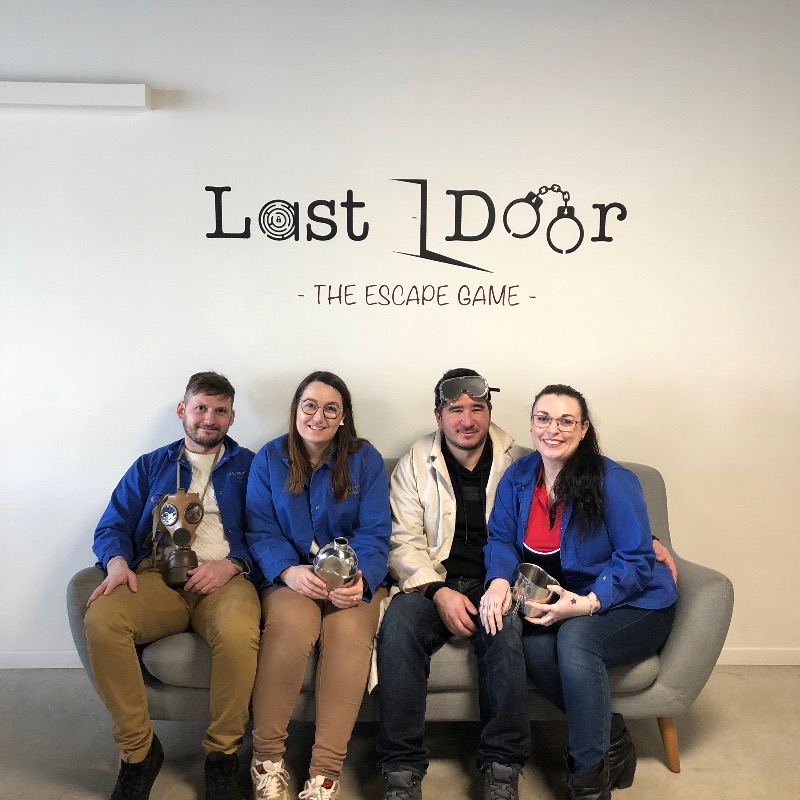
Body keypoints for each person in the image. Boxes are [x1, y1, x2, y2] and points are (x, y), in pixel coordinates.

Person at [481, 384, 678, 800]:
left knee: (575, 640)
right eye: (543, 419)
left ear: (584, 429)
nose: (552, 429)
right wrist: (499, 579)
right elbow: (499, 537)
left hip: (636, 601)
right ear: (532, 424)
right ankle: (613, 736)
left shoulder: (614, 481)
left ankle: (588, 783)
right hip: (570, 600)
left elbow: (636, 558)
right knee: (534, 648)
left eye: (566, 421)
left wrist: (589, 603)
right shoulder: (519, 476)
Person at [84, 371, 261, 800]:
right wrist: (117, 563)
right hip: (157, 578)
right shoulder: (150, 465)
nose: (209, 418)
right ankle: (139, 753)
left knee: (238, 633)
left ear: (232, 417)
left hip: (225, 579)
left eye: (220, 411)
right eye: (201, 408)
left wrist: (233, 564)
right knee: (103, 620)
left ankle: (222, 755)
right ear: (183, 410)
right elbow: (112, 525)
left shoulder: (254, 467)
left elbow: (271, 532)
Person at [376, 368, 532, 800]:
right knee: (398, 631)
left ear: (489, 412)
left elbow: (573, 494)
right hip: (432, 581)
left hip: (495, 582)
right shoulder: (414, 461)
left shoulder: (520, 461)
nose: (467, 420)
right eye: (455, 409)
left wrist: (647, 539)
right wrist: (437, 591)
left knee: (505, 632)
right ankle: (401, 770)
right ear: (438, 415)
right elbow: (402, 540)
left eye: (477, 409)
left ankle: (502, 768)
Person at [245, 371, 391, 800]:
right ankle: (267, 760)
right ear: (296, 409)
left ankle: (324, 774)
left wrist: (360, 581)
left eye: (331, 409)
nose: (318, 416)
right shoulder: (269, 458)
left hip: (351, 578)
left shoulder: (365, 459)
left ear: (343, 417)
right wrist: (288, 572)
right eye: (310, 405)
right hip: (291, 576)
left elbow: (375, 532)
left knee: (349, 638)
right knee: (290, 628)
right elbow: (260, 530)